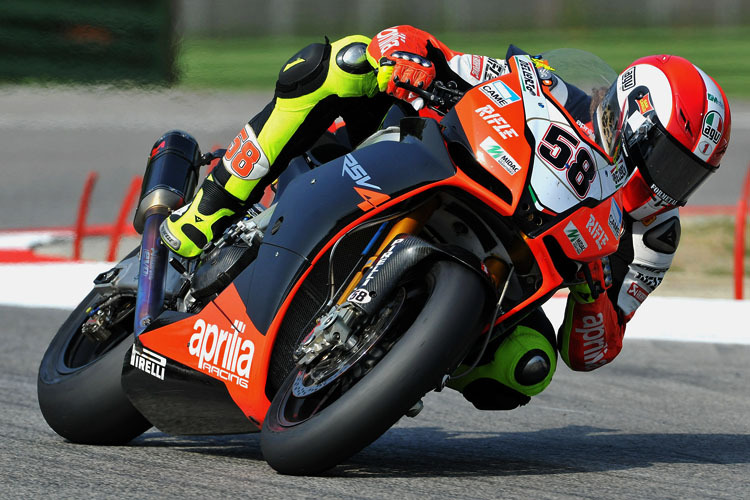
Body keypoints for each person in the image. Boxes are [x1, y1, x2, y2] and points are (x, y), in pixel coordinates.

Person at [160, 26, 732, 410]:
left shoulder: (655, 238)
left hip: (508, 287)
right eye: (667, 162)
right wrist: (407, 53)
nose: (669, 186)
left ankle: (395, 363)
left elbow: (592, 350)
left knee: (526, 367)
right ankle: (205, 215)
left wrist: (594, 295)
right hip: (454, 171)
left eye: (689, 177)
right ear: (633, 121)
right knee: (344, 61)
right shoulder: (557, 92)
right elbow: (457, 64)